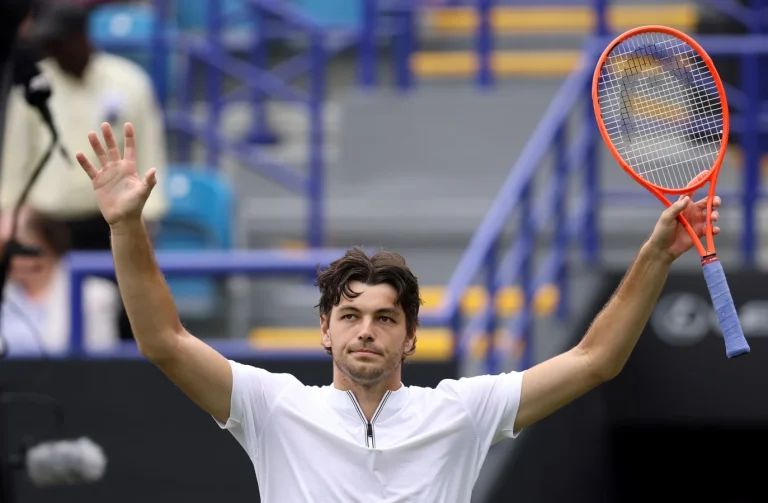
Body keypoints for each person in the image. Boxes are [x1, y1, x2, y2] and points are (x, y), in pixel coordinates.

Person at [76, 121, 722, 502]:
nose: (366, 329)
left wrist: (657, 255)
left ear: (411, 337)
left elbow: (595, 359)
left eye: (385, 317)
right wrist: (126, 226)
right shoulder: (273, 406)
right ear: (324, 330)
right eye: (350, 314)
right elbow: (162, 340)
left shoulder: (461, 411)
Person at [0, 1, 168, 341]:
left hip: (116, 225)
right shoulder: (35, 87)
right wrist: (9, 220)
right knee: (56, 328)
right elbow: (15, 164)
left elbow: (150, 155)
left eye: (59, 42)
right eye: (48, 44)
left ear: (81, 38)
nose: (52, 51)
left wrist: (145, 223)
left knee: (128, 321)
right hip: (49, 231)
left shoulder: (129, 82)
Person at [0, 205, 120, 357]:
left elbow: (101, 368)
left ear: (44, 244)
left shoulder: (93, 295)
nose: (4, 254)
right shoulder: (7, 290)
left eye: (11, 246)